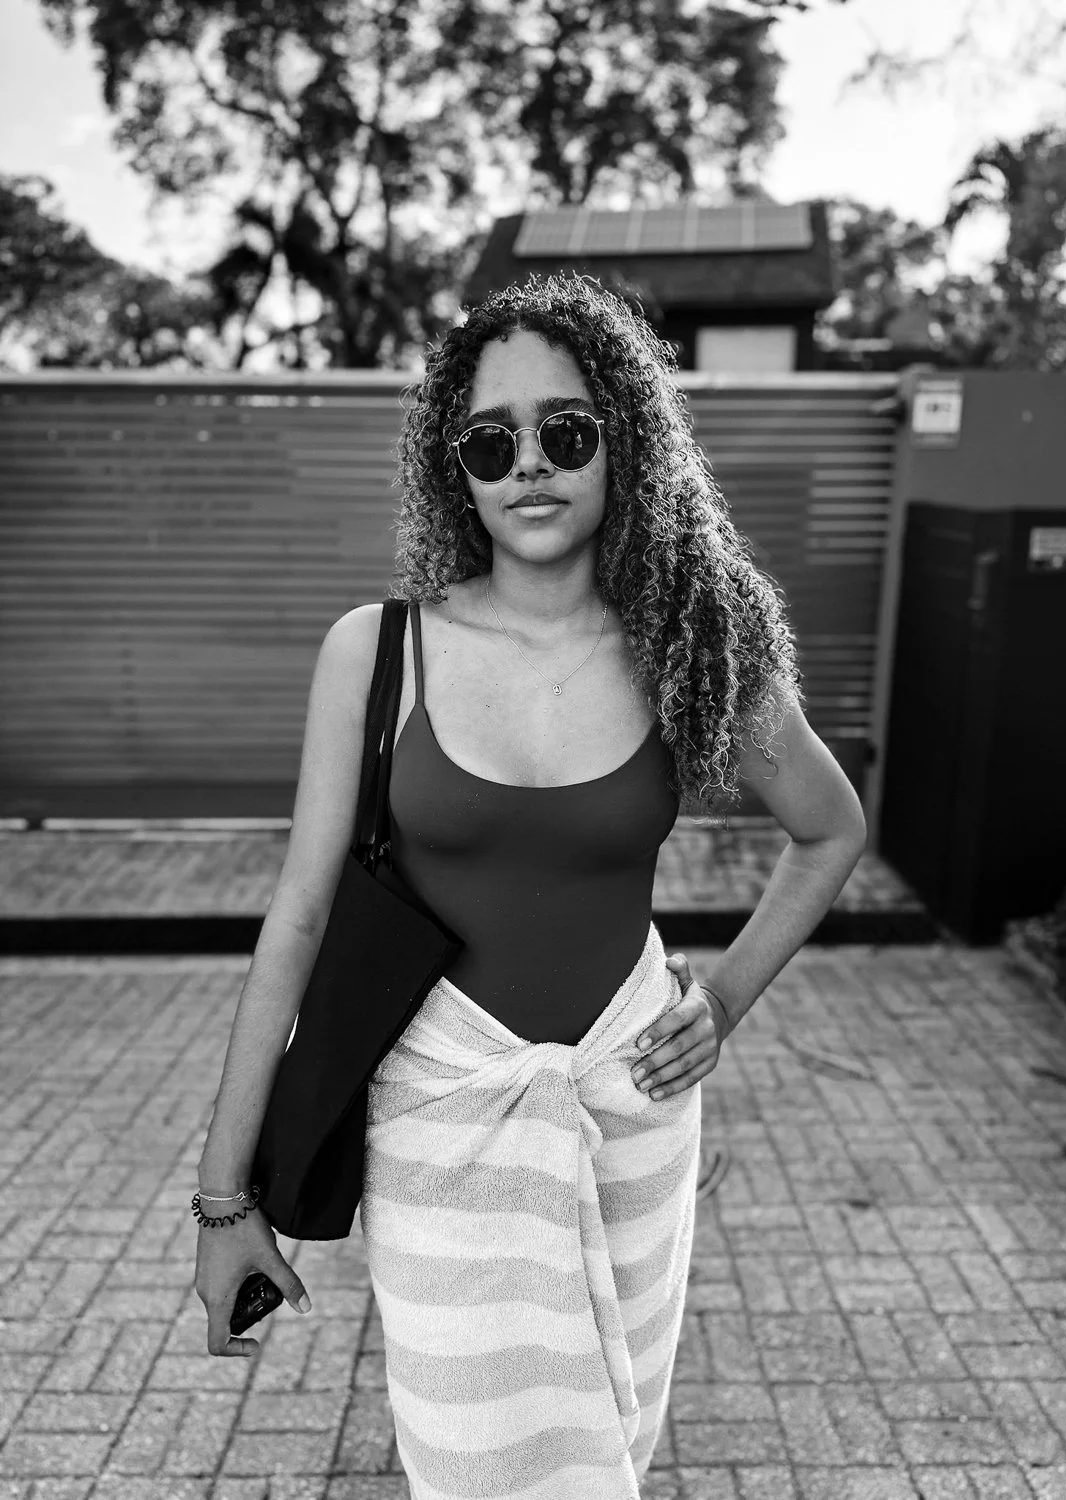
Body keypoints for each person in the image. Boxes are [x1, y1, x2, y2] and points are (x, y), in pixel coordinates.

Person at [194, 273, 868, 1497]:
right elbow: (296, 920)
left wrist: (721, 1003)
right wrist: (222, 1201)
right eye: (489, 443)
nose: (530, 467)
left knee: (608, 1449)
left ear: (626, 440)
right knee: (473, 1458)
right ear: (454, 469)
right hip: (437, 1118)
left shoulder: (692, 644)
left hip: (633, 1109)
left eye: (566, 430)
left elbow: (831, 829)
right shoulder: (378, 651)